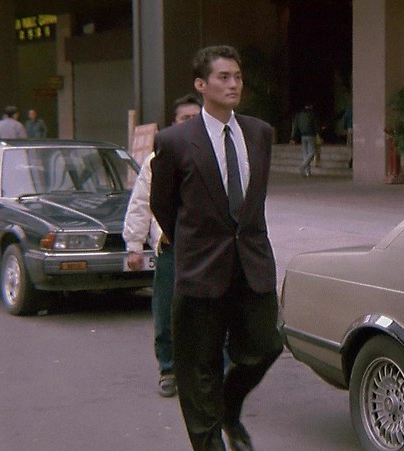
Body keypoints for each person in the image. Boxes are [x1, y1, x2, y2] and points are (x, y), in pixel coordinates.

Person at [150, 45, 283, 451]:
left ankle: (228, 407)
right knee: (198, 369)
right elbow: (163, 205)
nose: (234, 84)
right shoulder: (174, 141)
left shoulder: (259, 133)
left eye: (237, 77)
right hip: (199, 270)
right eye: (224, 77)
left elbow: (254, 201)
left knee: (266, 346)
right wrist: (194, 244)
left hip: (252, 265)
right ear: (201, 85)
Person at [123, 93, 202, 398]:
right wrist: (134, 244)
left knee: (209, 312)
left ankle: (207, 371)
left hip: (206, 249)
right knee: (167, 311)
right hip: (170, 248)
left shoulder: (214, 154)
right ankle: (169, 369)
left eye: (196, 118)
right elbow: (141, 203)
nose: (191, 123)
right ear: (174, 123)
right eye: (185, 118)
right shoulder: (156, 159)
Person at [289, 103, 319, 176]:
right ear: (310, 106)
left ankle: (307, 172)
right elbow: (315, 125)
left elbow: (295, 126)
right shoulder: (312, 114)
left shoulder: (299, 115)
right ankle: (303, 165)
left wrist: (293, 137)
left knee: (305, 154)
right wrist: (318, 133)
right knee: (312, 153)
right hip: (311, 135)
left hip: (302, 136)